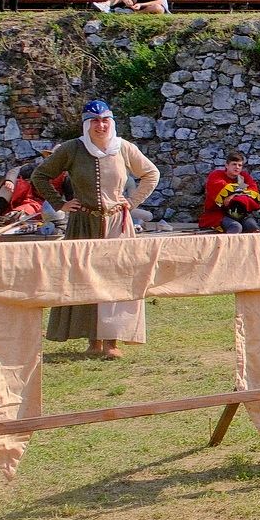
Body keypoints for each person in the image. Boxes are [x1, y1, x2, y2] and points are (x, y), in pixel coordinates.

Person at [34, 101, 161, 359]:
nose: (100, 126)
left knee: (117, 278)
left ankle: (112, 341)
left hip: (117, 224)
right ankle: (93, 340)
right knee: (86, 279)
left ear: (111, 122)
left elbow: (151, 173)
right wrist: (60, 203)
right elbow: (40, 175)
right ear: (86, 124)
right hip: (83, 223)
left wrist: (132, 202)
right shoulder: (73, 148)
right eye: (94, 120)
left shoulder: (123, 148)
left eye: (104, 120)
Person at [198, 152, 260, 233]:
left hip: (240, 214)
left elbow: (253, 191)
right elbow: (222, 188)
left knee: (253, 227)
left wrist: (233, 195)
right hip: (217, 214)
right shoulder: (216, 175)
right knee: (236, 227)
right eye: (234, 164)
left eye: (240, 165)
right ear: (227, 165)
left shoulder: (244, 177)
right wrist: (242, 191)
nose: (237, 167)